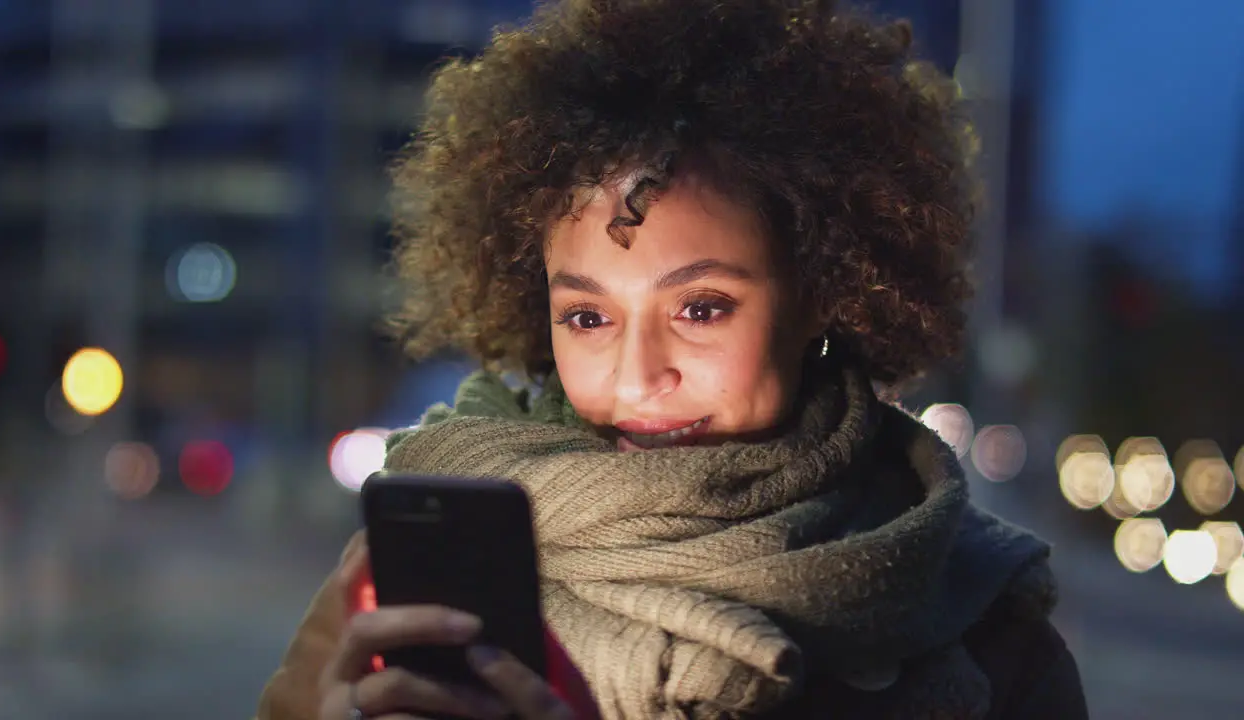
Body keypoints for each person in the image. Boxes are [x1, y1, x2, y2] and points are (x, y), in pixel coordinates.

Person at [256, 0, 1089, 718]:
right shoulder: (427, 570)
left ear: (820, 298)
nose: (635, 376)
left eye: (700, 308)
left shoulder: (986, 632)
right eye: (586, 315)